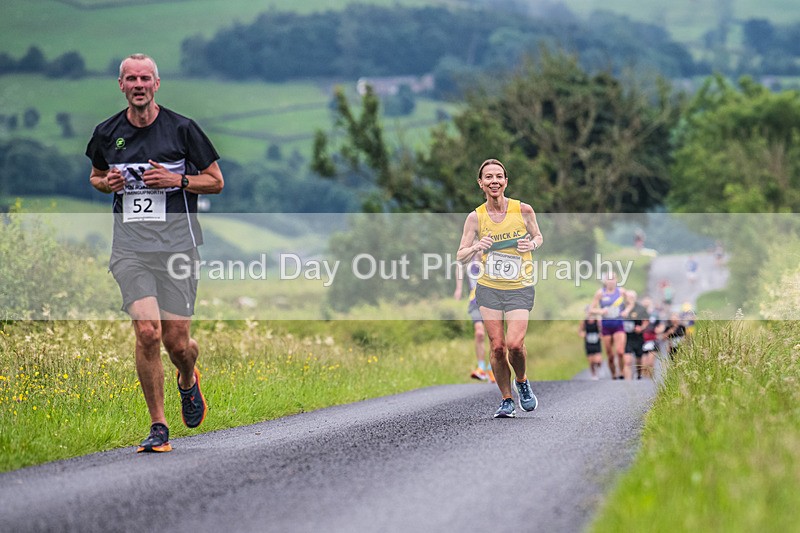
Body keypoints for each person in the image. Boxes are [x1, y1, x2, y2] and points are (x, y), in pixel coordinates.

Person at [86, 53, 224, 453]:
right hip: (130, 249)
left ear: (156, 84)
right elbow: (95, 175)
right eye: (131, 78)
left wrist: (177, 179)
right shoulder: (106, 132)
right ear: (122, 86)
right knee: (148, 332)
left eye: (145, 78)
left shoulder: (182, 129)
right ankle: (159, 426)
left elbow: (215, 181)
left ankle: (188, 378)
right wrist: (106, 182)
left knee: (178, 344)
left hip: (178, 248)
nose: (139, 84)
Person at [457, 158, 543, 418]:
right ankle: (507, 399)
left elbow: (538, 236)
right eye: (489, 177)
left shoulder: (523, 209)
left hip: (519, 286)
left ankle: (522, 382)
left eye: (499, 176)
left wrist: (533, 245)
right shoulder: (475, 217)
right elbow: (461, 255)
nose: (494, 181)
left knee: (515, 344)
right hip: (489, 288)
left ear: (506, 181)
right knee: (497, 347)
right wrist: (476, 247)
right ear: (481, 183)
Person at [454, 254, 493, 382]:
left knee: (493, 336)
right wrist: (459, 288)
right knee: (480, 333)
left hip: (491, 301)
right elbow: (459, 265)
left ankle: (493, 368)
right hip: (475, 301)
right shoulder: (469, 257)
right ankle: (481, 368)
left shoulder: (489, 255)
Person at [589, 272, 632, 380]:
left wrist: (626, 310)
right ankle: (613, 374)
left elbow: (631, 303)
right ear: (605, 281)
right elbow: (591, 309)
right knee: (610, 355)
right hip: (606, 326)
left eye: (613, 278)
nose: (611, 281)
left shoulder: (621, 291)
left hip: (618, 325)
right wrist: (601, 311)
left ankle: (622, 372)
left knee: (620, 351)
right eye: (608, 279)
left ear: (616, 280)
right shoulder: (600, 293)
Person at [622, 290, 649, 380]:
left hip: (638, 337)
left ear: (635, 298)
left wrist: (641, 328)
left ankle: (639, 374)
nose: (630, 299)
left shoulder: (640, 308)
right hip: (627, 338)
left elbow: (646, 321)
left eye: (632, 297)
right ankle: (628, 383)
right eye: (628, 297)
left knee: (638, 360)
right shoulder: (622, 307)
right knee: (627, 361)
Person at [578, 306, 602, 380]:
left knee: (598, 361)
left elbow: (602, 330)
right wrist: (583, 334)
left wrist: (600, 335)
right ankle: (594, 375)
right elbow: (580, 331)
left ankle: (598, 368)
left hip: (596, 342)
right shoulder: (584, 322)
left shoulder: (597, 321)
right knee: (591, 361)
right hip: (588, 343)